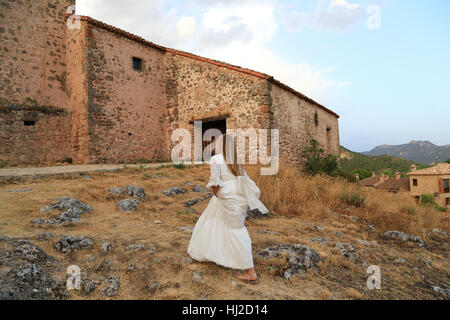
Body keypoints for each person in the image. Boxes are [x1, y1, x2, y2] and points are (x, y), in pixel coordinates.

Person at [187, 133, 269, 283]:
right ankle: (216, 253)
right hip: (238, 195)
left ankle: (250, 271)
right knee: (216, 220)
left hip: (226, 196)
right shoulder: (235, 161)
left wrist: (216, 193)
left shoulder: (216, 159)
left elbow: (215, 182)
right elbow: (242, 179)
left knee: (236, 230)